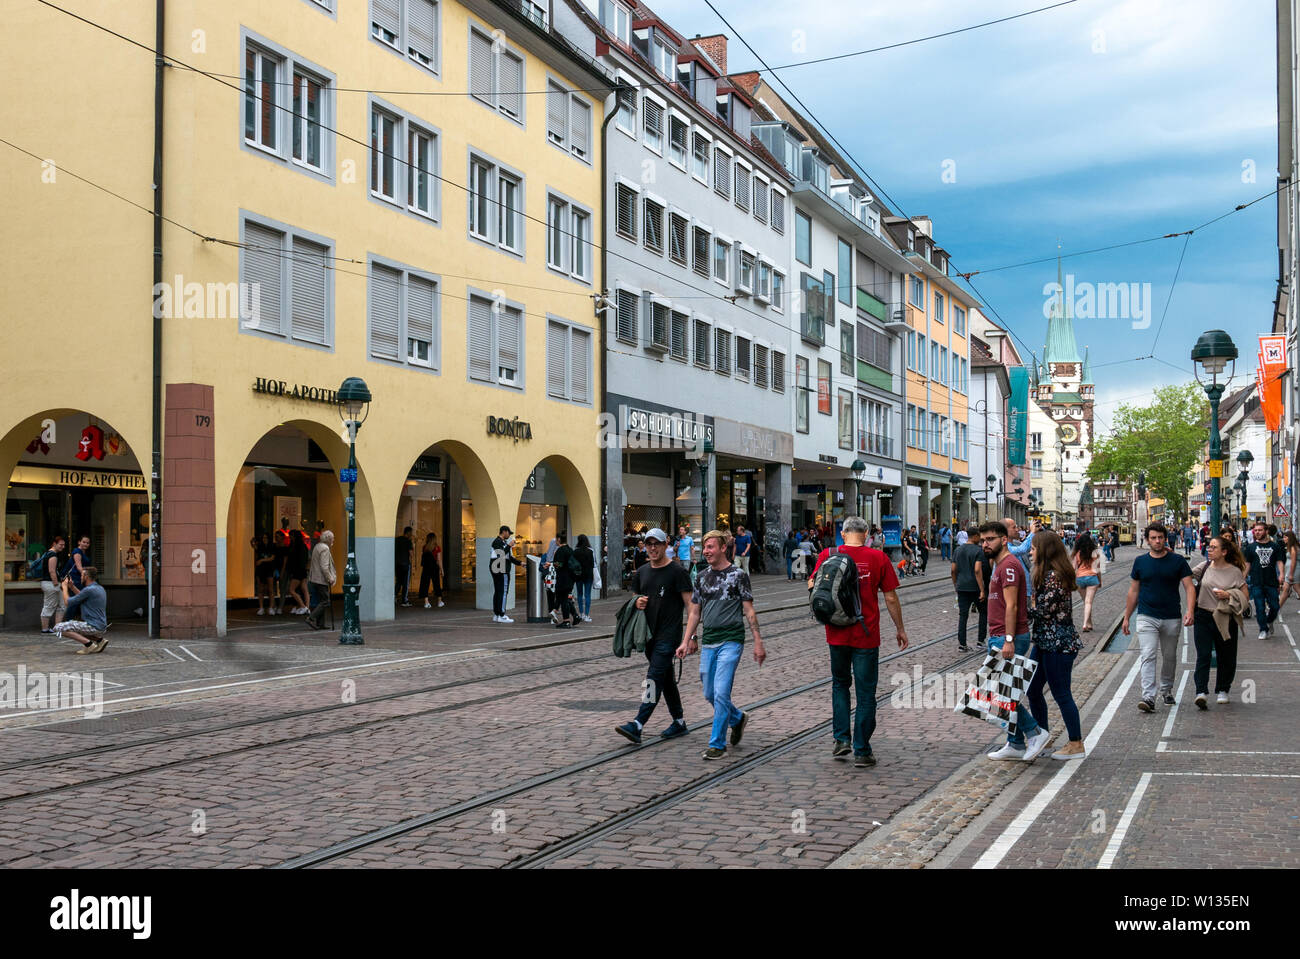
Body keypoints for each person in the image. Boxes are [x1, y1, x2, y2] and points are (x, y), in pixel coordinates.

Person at [811, 516, 907, 767]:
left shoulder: (827, 555)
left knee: (840, 685)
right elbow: (891, 598)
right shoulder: (878, 558)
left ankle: (841, 739)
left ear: (843, 534)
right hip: (866, 634)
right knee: (866, 694)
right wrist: (900, 629)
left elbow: (813, 584)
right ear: (866, 534)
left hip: (835, 633)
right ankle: (862, 750)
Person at [677, 530, 767, 760]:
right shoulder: (701, 576)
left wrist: (758, 641)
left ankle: (717, 744)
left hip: (731, 640)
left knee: (721, 692)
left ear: (723, 548)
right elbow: (695, 612)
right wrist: (687, 640)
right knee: (709, 693)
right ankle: (737, 719)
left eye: (710, 547)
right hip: (709, 642)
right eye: (705, 547)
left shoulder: (738, 575)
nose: (706, 551)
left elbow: (749, 611)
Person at [979, 521, 1051, 761]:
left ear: (1004, 540)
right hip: (999, 635)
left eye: (990, 539)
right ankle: (1015, 743)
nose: (985, 544)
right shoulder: (999, 565)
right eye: (983, 540)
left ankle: (1034, 732)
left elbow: (1012, 605)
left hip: (1008, 637)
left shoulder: (1009, 565)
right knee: (1001, 691)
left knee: (999, 693)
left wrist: (1008, 640)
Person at [616, 528, 692, 744]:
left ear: (665, 544)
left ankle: (638, 723)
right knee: (665, 679)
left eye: (656, 543)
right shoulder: (641, 572)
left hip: (669, 636)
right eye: (648, 543)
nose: (652, 548)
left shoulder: (677, 572)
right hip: (648, 636)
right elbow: (635, 599)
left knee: (652, 678)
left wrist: (690, 638)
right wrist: (637, 601)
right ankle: (679, 722)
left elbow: (691, 606)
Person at [1122, 523, 1195, 712]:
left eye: (1160, 537)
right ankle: (1148, 697)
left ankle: (1167, 689)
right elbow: (1133, 591)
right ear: (1147, 540)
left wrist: (1190, 611)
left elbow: (1189, 587)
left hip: (1172, 615)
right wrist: (1127, 616)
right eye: (1153, 538)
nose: (1157, 541)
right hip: (1147, 615)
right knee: (1148, 653)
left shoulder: (1177, 561)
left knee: (1169, 656)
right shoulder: (1140, 562)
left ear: (1165, 538)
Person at [1025, 530, 1085, 759]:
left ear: (1045, 550)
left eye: (1033, 547)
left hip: (1058, 643)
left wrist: (1016, 611)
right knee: (1032, 689)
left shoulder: (1054, 577)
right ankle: (1043, 738)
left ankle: (1076, 743)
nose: (1030, 551)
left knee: (1061, 693)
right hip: (1044, 642)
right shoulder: (1047, 574)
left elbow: (1042, 612)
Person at [1190, 537, 1247, 709]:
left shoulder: (1235, 571)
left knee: (1226, 656)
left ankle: (1223, 689)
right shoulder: (1204, 567)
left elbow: (1245, 596)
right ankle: (1201, 691)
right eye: (1209, 546)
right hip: (1203, 616)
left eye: (1214, 547)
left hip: (1225, 618)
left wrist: (1228, 595)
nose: (1209, 549)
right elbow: (1185, 575)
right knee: (1203, 654)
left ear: (1224, 552)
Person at [1242, 520, 1284, 639]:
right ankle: (1263, 629)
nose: (1257, 532)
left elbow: (1279, 561)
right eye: (1256, 531)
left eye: (1260, 530)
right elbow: (1247, 564)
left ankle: (1269, 620)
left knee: (1275, 606)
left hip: (1271, 581)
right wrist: (1243, 578)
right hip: (1256, 582)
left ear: (1266, 531)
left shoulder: (1275, 546)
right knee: (1259, 607)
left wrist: (1281, 574)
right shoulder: (1251, 548)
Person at [52, 566, 108, 653]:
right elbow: (81, 596)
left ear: (86, 577)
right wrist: (72, 587)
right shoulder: (99, 588)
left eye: (81, 575)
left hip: (93, 625)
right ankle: (100, 641)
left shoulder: (89, 590)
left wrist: (64, 587)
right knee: (75, 627)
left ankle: (89, 645)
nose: (80, 577)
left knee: (58, 627)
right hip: (101, 624)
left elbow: (67, 602)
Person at [951, 524, 987, 651]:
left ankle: (962, 644)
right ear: (976, 536)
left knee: (963, 615)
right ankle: (980, 641)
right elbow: (977, 570)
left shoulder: (958, 550)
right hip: (975, 588)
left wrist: (956, 584)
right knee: (983, 613)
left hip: (962, 587)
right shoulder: (978, 551)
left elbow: (953, 570)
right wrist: (982, 589)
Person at [490, 526, 523, 623]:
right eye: (509, 533)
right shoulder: (497, 542)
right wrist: (509, 545)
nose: (509, 535)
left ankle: (497, 614)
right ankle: (502, 614)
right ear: (504, 532)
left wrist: (520, 563)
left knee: (499, 592)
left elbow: (509, 557)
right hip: (501, 569)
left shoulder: (502, 542)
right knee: (503, 592)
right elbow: (501, 555)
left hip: (499, 569)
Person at [305, 531, 337, 629]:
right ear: (328, 539)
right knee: (325, 601)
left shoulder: (318, 546)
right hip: (320, 579)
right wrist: (330, 578)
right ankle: (311, 618)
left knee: (321, 600)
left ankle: (320, 623)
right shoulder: (325, 548)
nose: (333, 540)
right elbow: (324, 566)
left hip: (314, 578)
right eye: (332, 538)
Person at [1072, 532, 1101, 632]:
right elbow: (1098, 569)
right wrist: (1100, 581)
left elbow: (1073, 568)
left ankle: (1089, 623)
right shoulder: (1095, 553)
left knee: (1086, 602)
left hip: (1080, 579)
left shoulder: (1077, 553)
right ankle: (1085, 624)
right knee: (1089, 602)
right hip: (1092, 578)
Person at [37, 535, 67, 633]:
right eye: (61, 545)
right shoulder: (53, 555)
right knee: (49, 605)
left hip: (49, 583)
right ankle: (45, 629)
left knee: (62, 605)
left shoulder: (47, 553)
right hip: (51, 584)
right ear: (54, 544)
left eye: (64, 545)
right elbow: (52, 571)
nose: (63, 547)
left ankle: (57, 628)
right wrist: (56, 584)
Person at [551, 532, 580, 628]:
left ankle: (566, 621)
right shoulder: (570, 549)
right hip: (570, 579)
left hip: (563, 579)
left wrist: (552, 563)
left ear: (559, 539)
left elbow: (559, 565)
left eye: (556, 539)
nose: (555, 541)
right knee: (565, 598)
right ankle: (575, 616)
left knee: (563, 600)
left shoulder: (560, 551)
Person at [286, 524, 311, 614]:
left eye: (291, 536)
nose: (290, 538)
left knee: (292, 590)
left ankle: (302, 606)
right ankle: (307, 607)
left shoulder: (296, 547)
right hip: (302, 570)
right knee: (304, 589)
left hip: (297, 571)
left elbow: (297, 560)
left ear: (294, 537)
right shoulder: (303, 546)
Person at [418, 533, 445, 609]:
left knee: (425, 584)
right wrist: (442, 570)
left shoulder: (424, 548)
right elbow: (439, 560)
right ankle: (439, 602)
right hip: (434, 568)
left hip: (426, 568)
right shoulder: (437, 548)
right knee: (437, 584)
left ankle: (426, 603)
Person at [573, 534, 596, 622]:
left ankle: (581, 613)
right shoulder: (590, 551)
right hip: (588, 575)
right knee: (587, 595)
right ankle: (586, 615)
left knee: (579, 594)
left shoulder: (575, 551)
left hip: (578, 575)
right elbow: (593, 564)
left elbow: (574, 564)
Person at [253, 533, 277, 615]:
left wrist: (262, 560)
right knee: (260, 589)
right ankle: (261, 608)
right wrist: (253, 543)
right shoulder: (260, 546)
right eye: (263, 538)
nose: (264, 539)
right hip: (261, 570)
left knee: (270, 589)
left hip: (269, 569)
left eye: (266, 538)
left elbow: (272, 558)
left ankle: (271, 607)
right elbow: (255, 548)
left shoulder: (272, 546)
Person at [1279, 530, 1300, 609]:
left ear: (1290, 538)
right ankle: (1276, 609)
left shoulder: (1293, 548)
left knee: (1297, 589)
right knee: (1285, 590)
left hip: (1294, 571)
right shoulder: (1292, 547)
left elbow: (1293, 562)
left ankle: (1276, 609)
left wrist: (1291, 574)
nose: (1284, 539)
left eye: (1285, 537)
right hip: (1291, 571)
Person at [394, 526, 415, 608]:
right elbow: (411, 553)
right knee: (406, 583)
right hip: (406, 564)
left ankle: (394, 597)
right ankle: (404, 600)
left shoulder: (397, 539)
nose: (411, 534)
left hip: (397, 564)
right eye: (411, 532)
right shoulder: (408, 541)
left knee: (398, 581)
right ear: (408, 532)